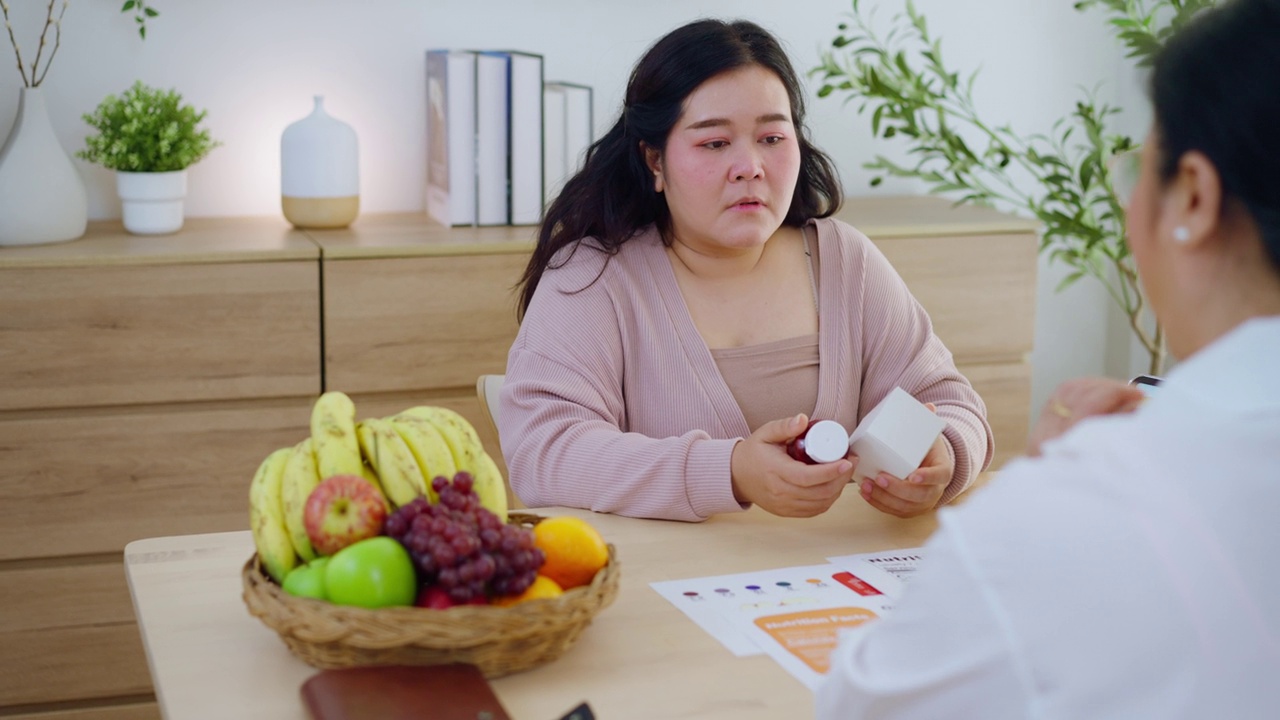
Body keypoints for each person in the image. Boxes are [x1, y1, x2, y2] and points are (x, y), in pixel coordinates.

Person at [816, 0, 1280, 716]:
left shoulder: (845, 256)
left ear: (1192, 195)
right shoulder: (598, 273)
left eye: (1137, 170)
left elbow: (863, 703)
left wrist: (1043, 493)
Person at [498, 19, 993, 522]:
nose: (750, 166)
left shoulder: (846, 261)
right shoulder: (592, 278)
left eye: (772, 138)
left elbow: (948, 402)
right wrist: (729, 470)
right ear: (654, 161)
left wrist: (942, 459)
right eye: (714, 143)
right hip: (661, 586)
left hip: (830, 583)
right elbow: (544, 453)